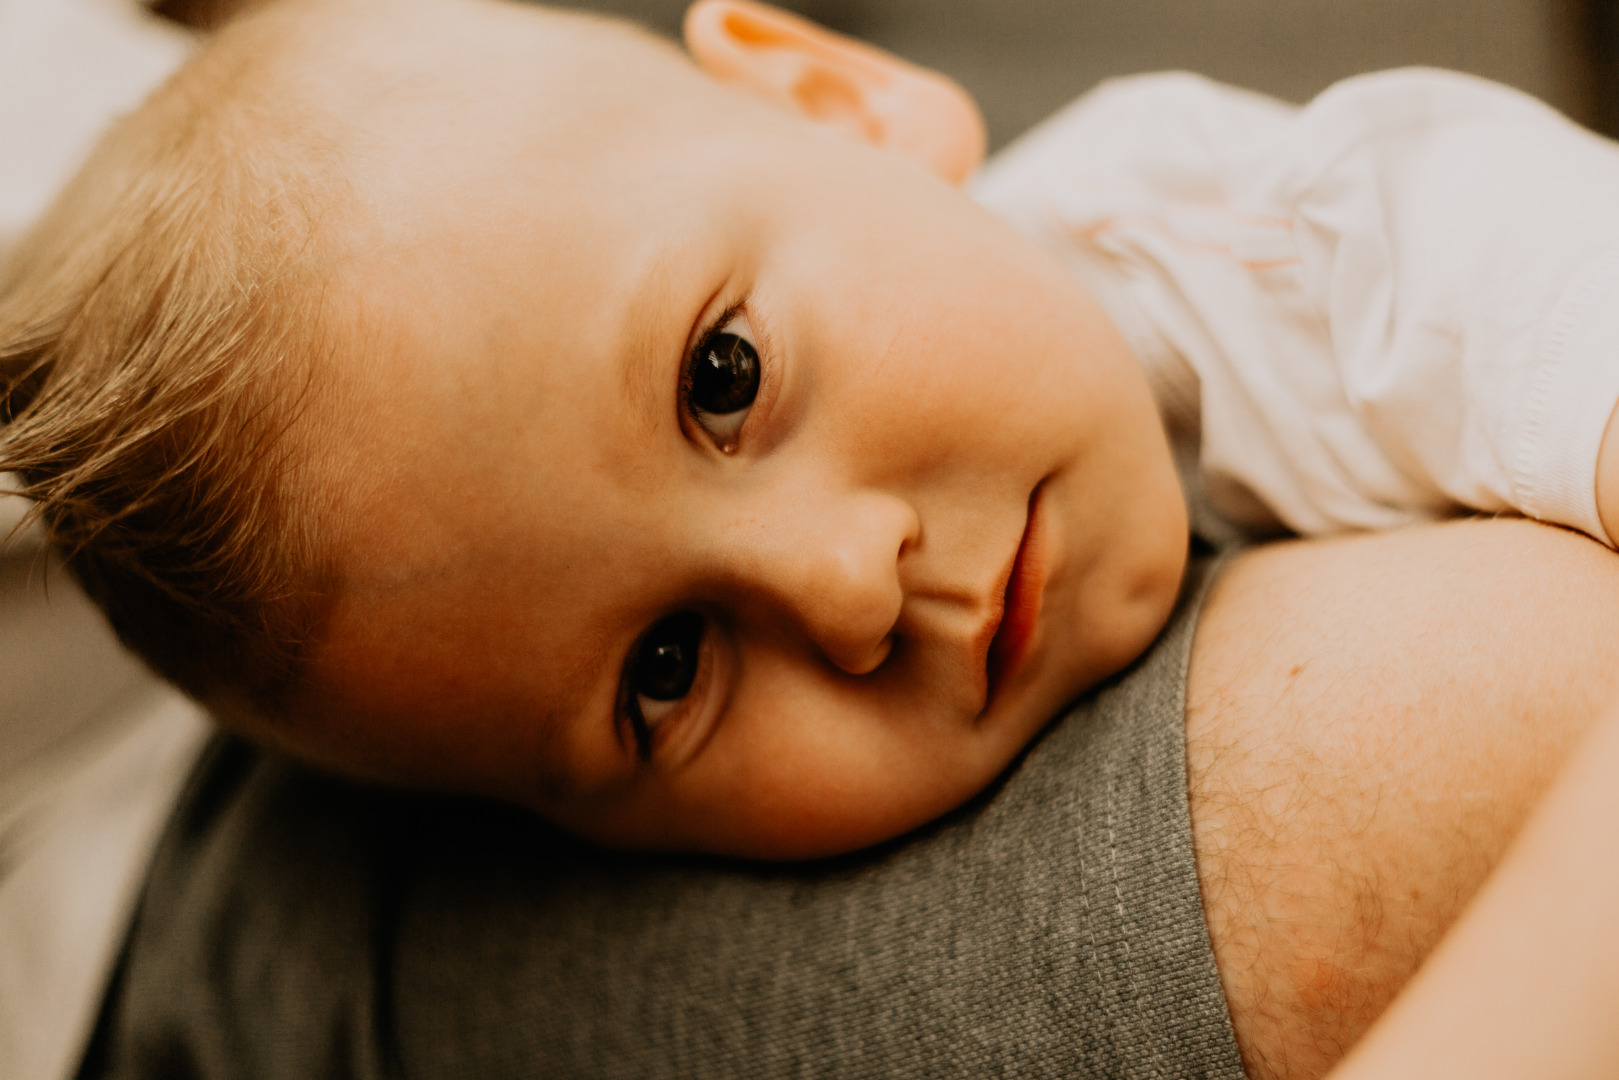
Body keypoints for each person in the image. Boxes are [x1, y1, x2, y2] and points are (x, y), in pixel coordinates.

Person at [8, 0, 1619, 864]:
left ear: (842, 103)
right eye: (665, 672)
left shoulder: (1295, 249)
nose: (847, 588)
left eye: (722, 379)